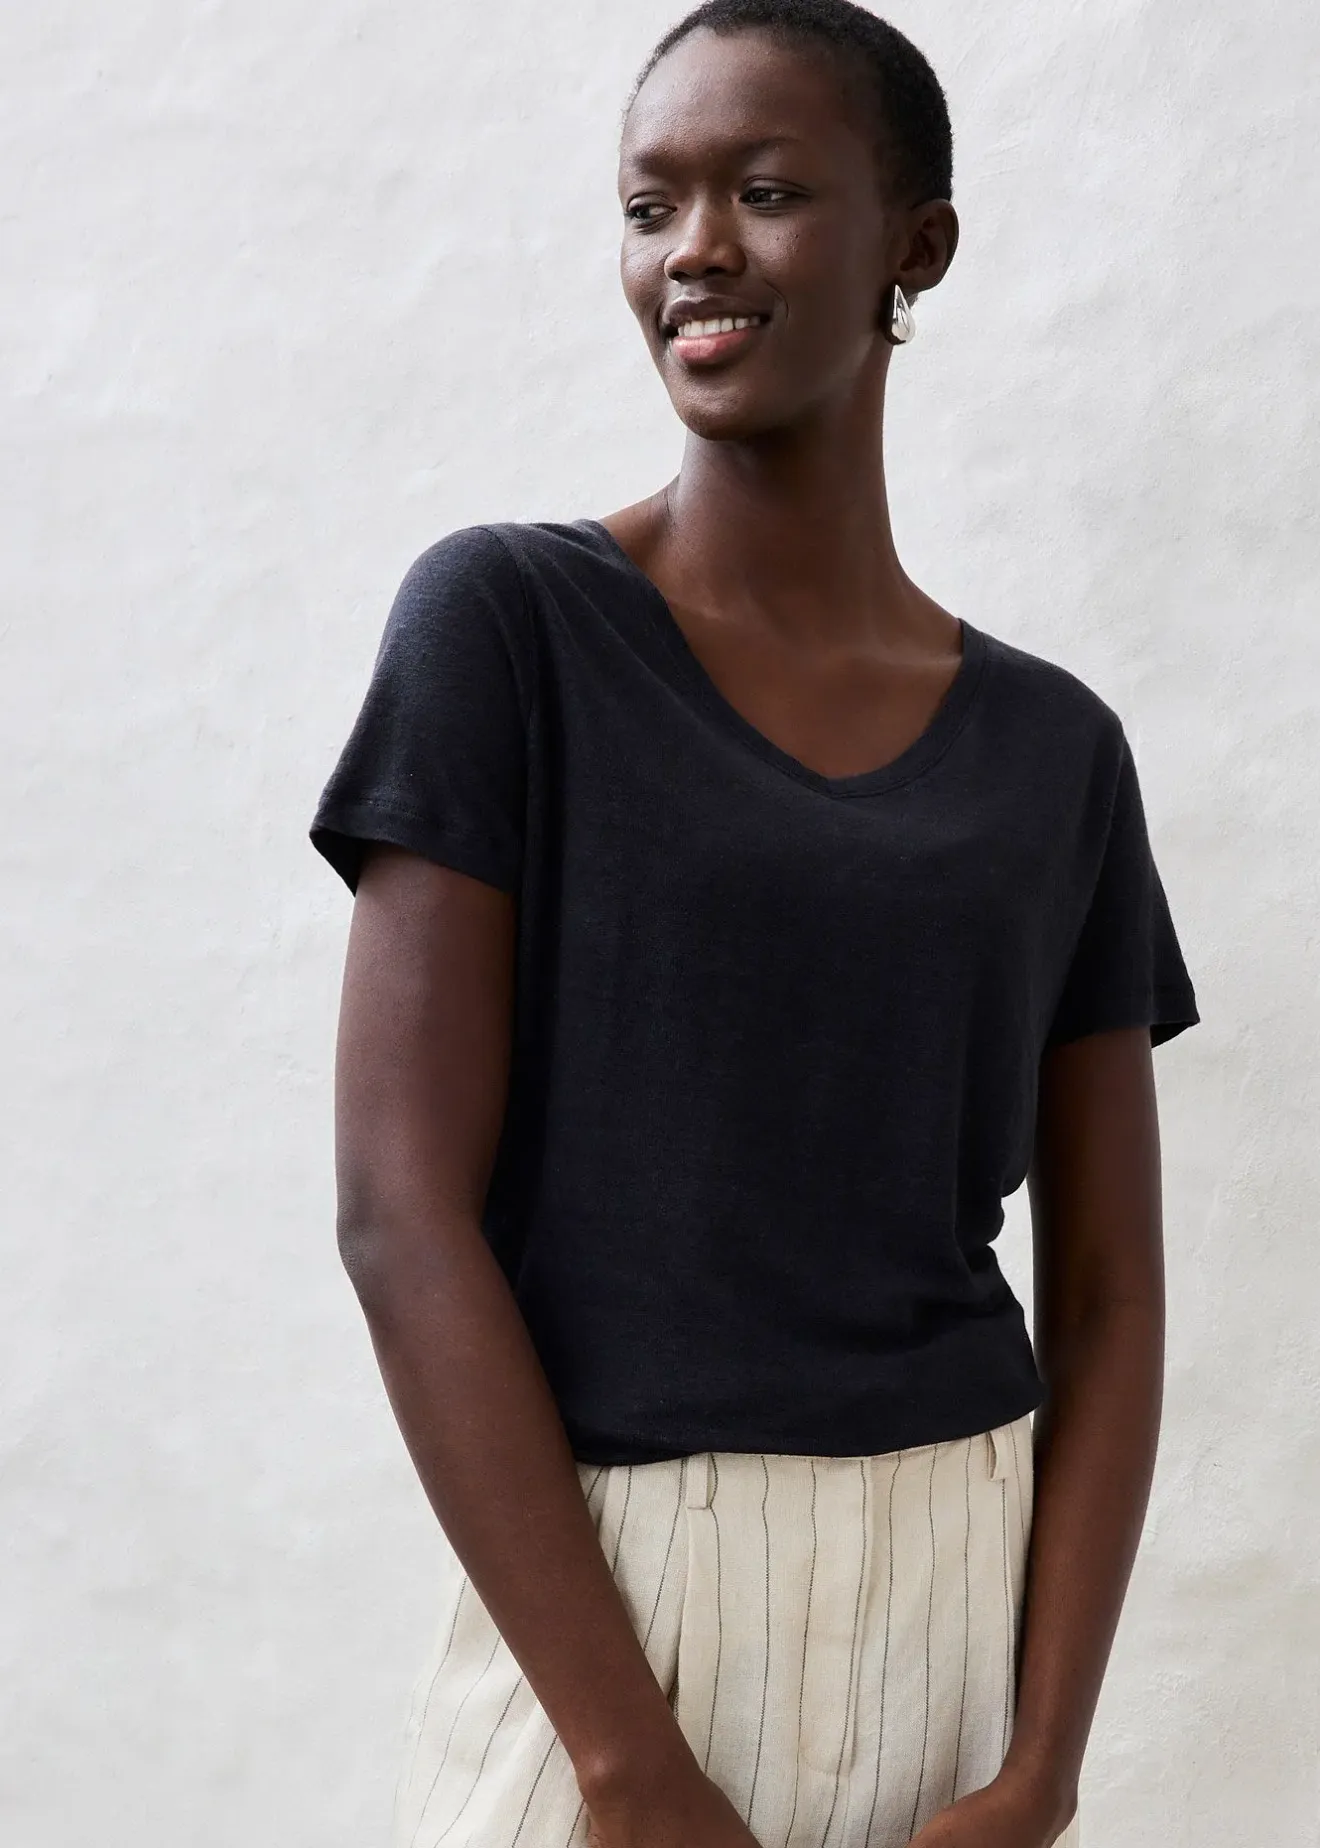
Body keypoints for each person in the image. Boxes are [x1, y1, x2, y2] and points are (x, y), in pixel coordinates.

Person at [309, 2, 1200, 1844]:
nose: (695, 249)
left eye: (769, 192)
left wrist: (1045, 1764)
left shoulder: (1055, 750)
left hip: (961, 1609)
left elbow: (1112, 1291)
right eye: (652, 207)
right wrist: (622, 1760)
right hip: (612, 1621)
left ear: (915, 246)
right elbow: (399, 1214)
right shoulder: (512, 629)